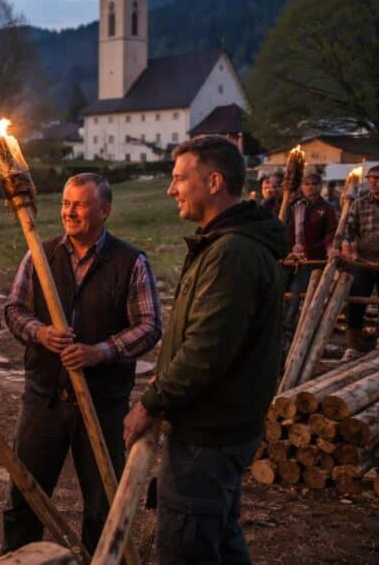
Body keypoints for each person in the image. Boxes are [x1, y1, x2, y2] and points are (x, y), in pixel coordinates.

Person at [124, 135, 287, 564]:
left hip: (209, 434)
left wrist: (152, 401)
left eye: (180, 178)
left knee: (189, 547)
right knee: (221, 538)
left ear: (213, 182)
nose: (170, 189)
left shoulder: (232, 253)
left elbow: (206, 349)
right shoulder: (224, 244)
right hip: (217, 428)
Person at [2, 173, 162, 555]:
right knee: (25, 497)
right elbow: (14, 310)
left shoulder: (130, 261)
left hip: (103, 403)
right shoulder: (39, 254)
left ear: (104, 210)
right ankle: (19, 559)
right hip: (45, 399)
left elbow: (149, 326)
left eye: (80, 204)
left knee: (103, 503)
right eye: (65, 203)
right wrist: (40, 333)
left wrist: (101, 351)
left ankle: (99, 560)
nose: (69, 212)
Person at [339, 164, 379, 356]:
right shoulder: (359, 204)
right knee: (355, 304)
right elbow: (349, 231)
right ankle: (352, 348)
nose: (373, 182)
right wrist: (346, 245)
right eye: (370, 178)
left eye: (378, 178)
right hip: (363, 261)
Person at [283, 172, 337, 343]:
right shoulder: (293, 206)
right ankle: (282, 332)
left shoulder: (327, 208)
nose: (311, 187)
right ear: (302, 186)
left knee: (299, 295)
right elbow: (285, 228)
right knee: (283, 294)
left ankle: (296, 333)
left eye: (314, 184)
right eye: (307, 184)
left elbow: (330, 233)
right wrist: (291, 248)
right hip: (290, 258)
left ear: (320, 186)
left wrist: (325, 248)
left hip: (313, 259)